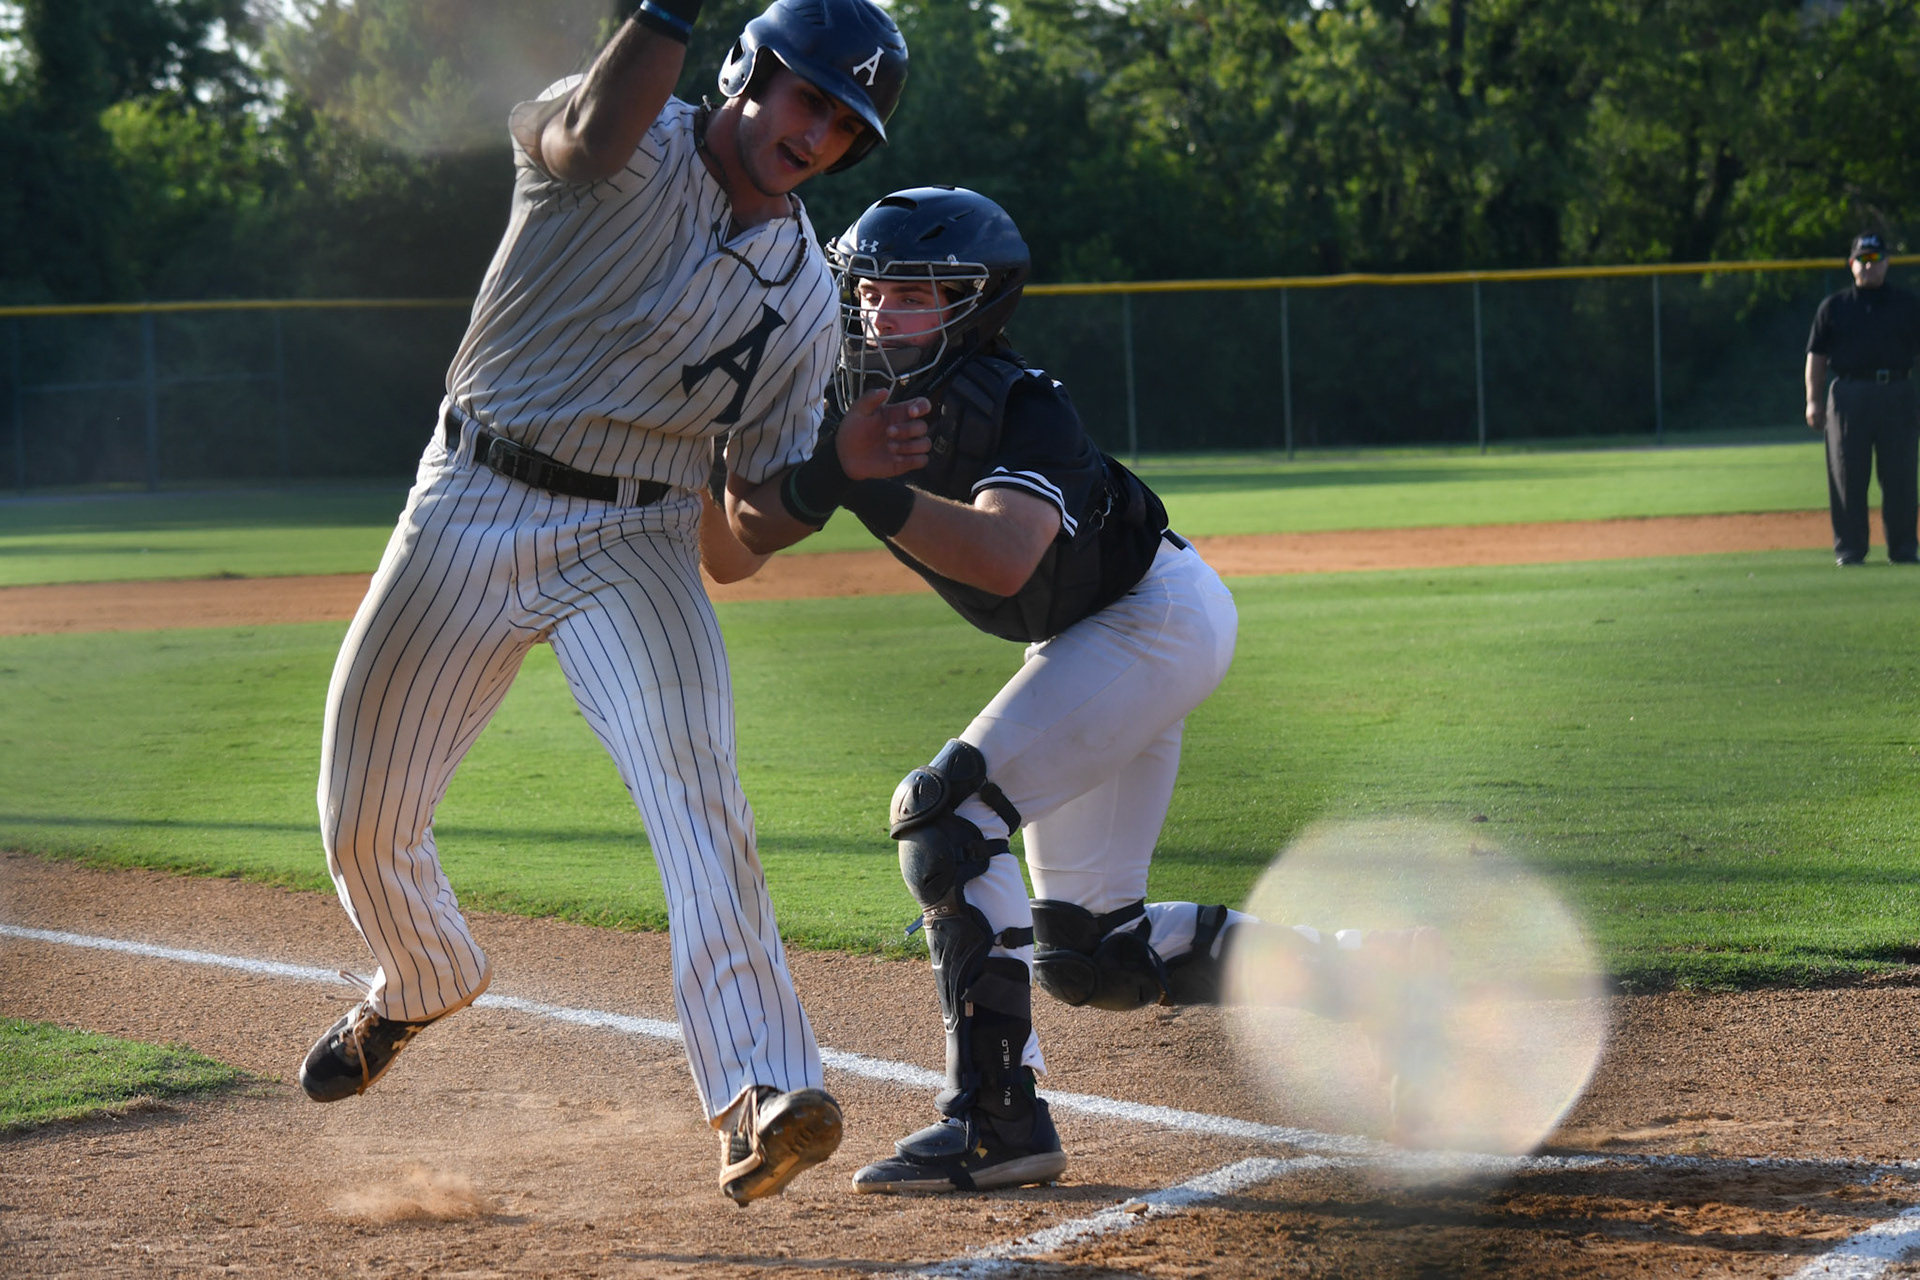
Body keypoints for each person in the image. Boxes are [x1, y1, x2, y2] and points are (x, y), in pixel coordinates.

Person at [298, 0, 925, 1208]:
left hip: (636, 534)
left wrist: (835, 472)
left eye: (847, 125)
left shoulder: (801, 298)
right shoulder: (619, 143)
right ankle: (421, 975)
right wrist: (665, 14)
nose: (820, 133)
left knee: (696, 784)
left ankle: (765, 1095)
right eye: (808, 97)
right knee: (362, 816)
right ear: (745, 68)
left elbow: (742, 534)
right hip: (473, 494)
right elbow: (586, 136)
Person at [767, 186, 1446, 1194]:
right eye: (868, 289)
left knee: (949, 817)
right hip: (1101, 632)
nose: (877, 314)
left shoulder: (1022, 403)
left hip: (1151, 617)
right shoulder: (850, 401)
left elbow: (1003, 557)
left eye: (910, 293)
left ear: (974, 303)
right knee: (1091, 951)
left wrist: (852, 480)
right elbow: (753, 522)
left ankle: (996, 1118)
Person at [1805, 231, 1920, 566]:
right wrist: (1813, 401)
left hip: (1897, 392)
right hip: (1848, 395)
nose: (1869, 266)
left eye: (1875, 259)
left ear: (1887, 262)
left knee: (1900, 476)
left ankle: (1903, 549)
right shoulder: (1834, 307)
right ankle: (1850, 550)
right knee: (1847, 474)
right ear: (1851, 264)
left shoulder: (1908, 304)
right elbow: (1817, 356)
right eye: (1862, 259)